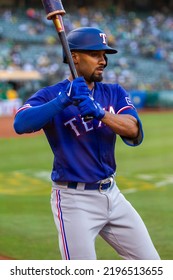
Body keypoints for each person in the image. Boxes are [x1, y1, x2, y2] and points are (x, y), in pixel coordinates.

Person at [13, 27, 160, 260]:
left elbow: (134, 130)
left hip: (112, 194)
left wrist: (101, 113)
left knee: (152, 266)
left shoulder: (114, 92)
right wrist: (64, 100)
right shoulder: (52, 94)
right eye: (95, 54)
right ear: (74, 57)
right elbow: (21, 124)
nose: (103, 61)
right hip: (74, 200)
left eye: (105, 55)